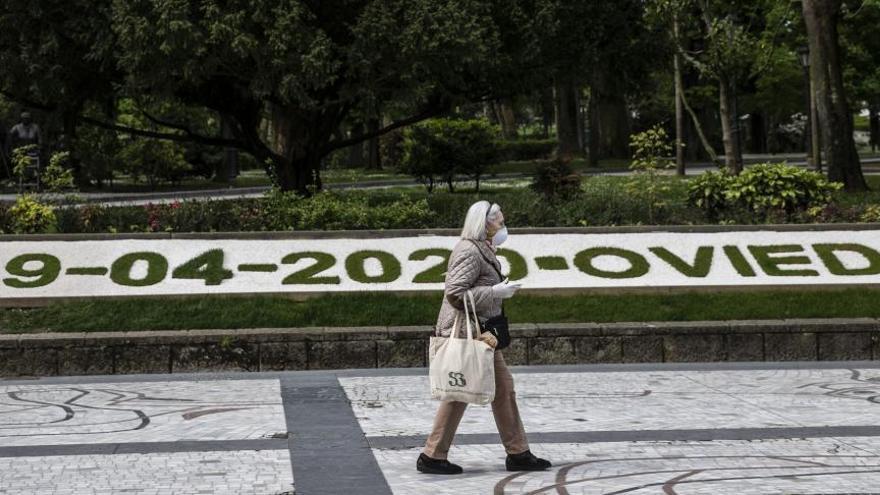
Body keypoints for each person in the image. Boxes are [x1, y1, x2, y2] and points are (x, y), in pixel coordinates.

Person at [417, 200, 551, 475]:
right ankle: (433, 455)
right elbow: (454, 293)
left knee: (501, 388)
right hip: (468, 332)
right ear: (485, 223)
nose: (503, 226)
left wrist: (497, 290)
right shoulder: (469, 250)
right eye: (499, 222)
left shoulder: (484, 247)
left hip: (482, 331)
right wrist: (495, 293)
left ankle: (517, 452)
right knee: (463, 392)